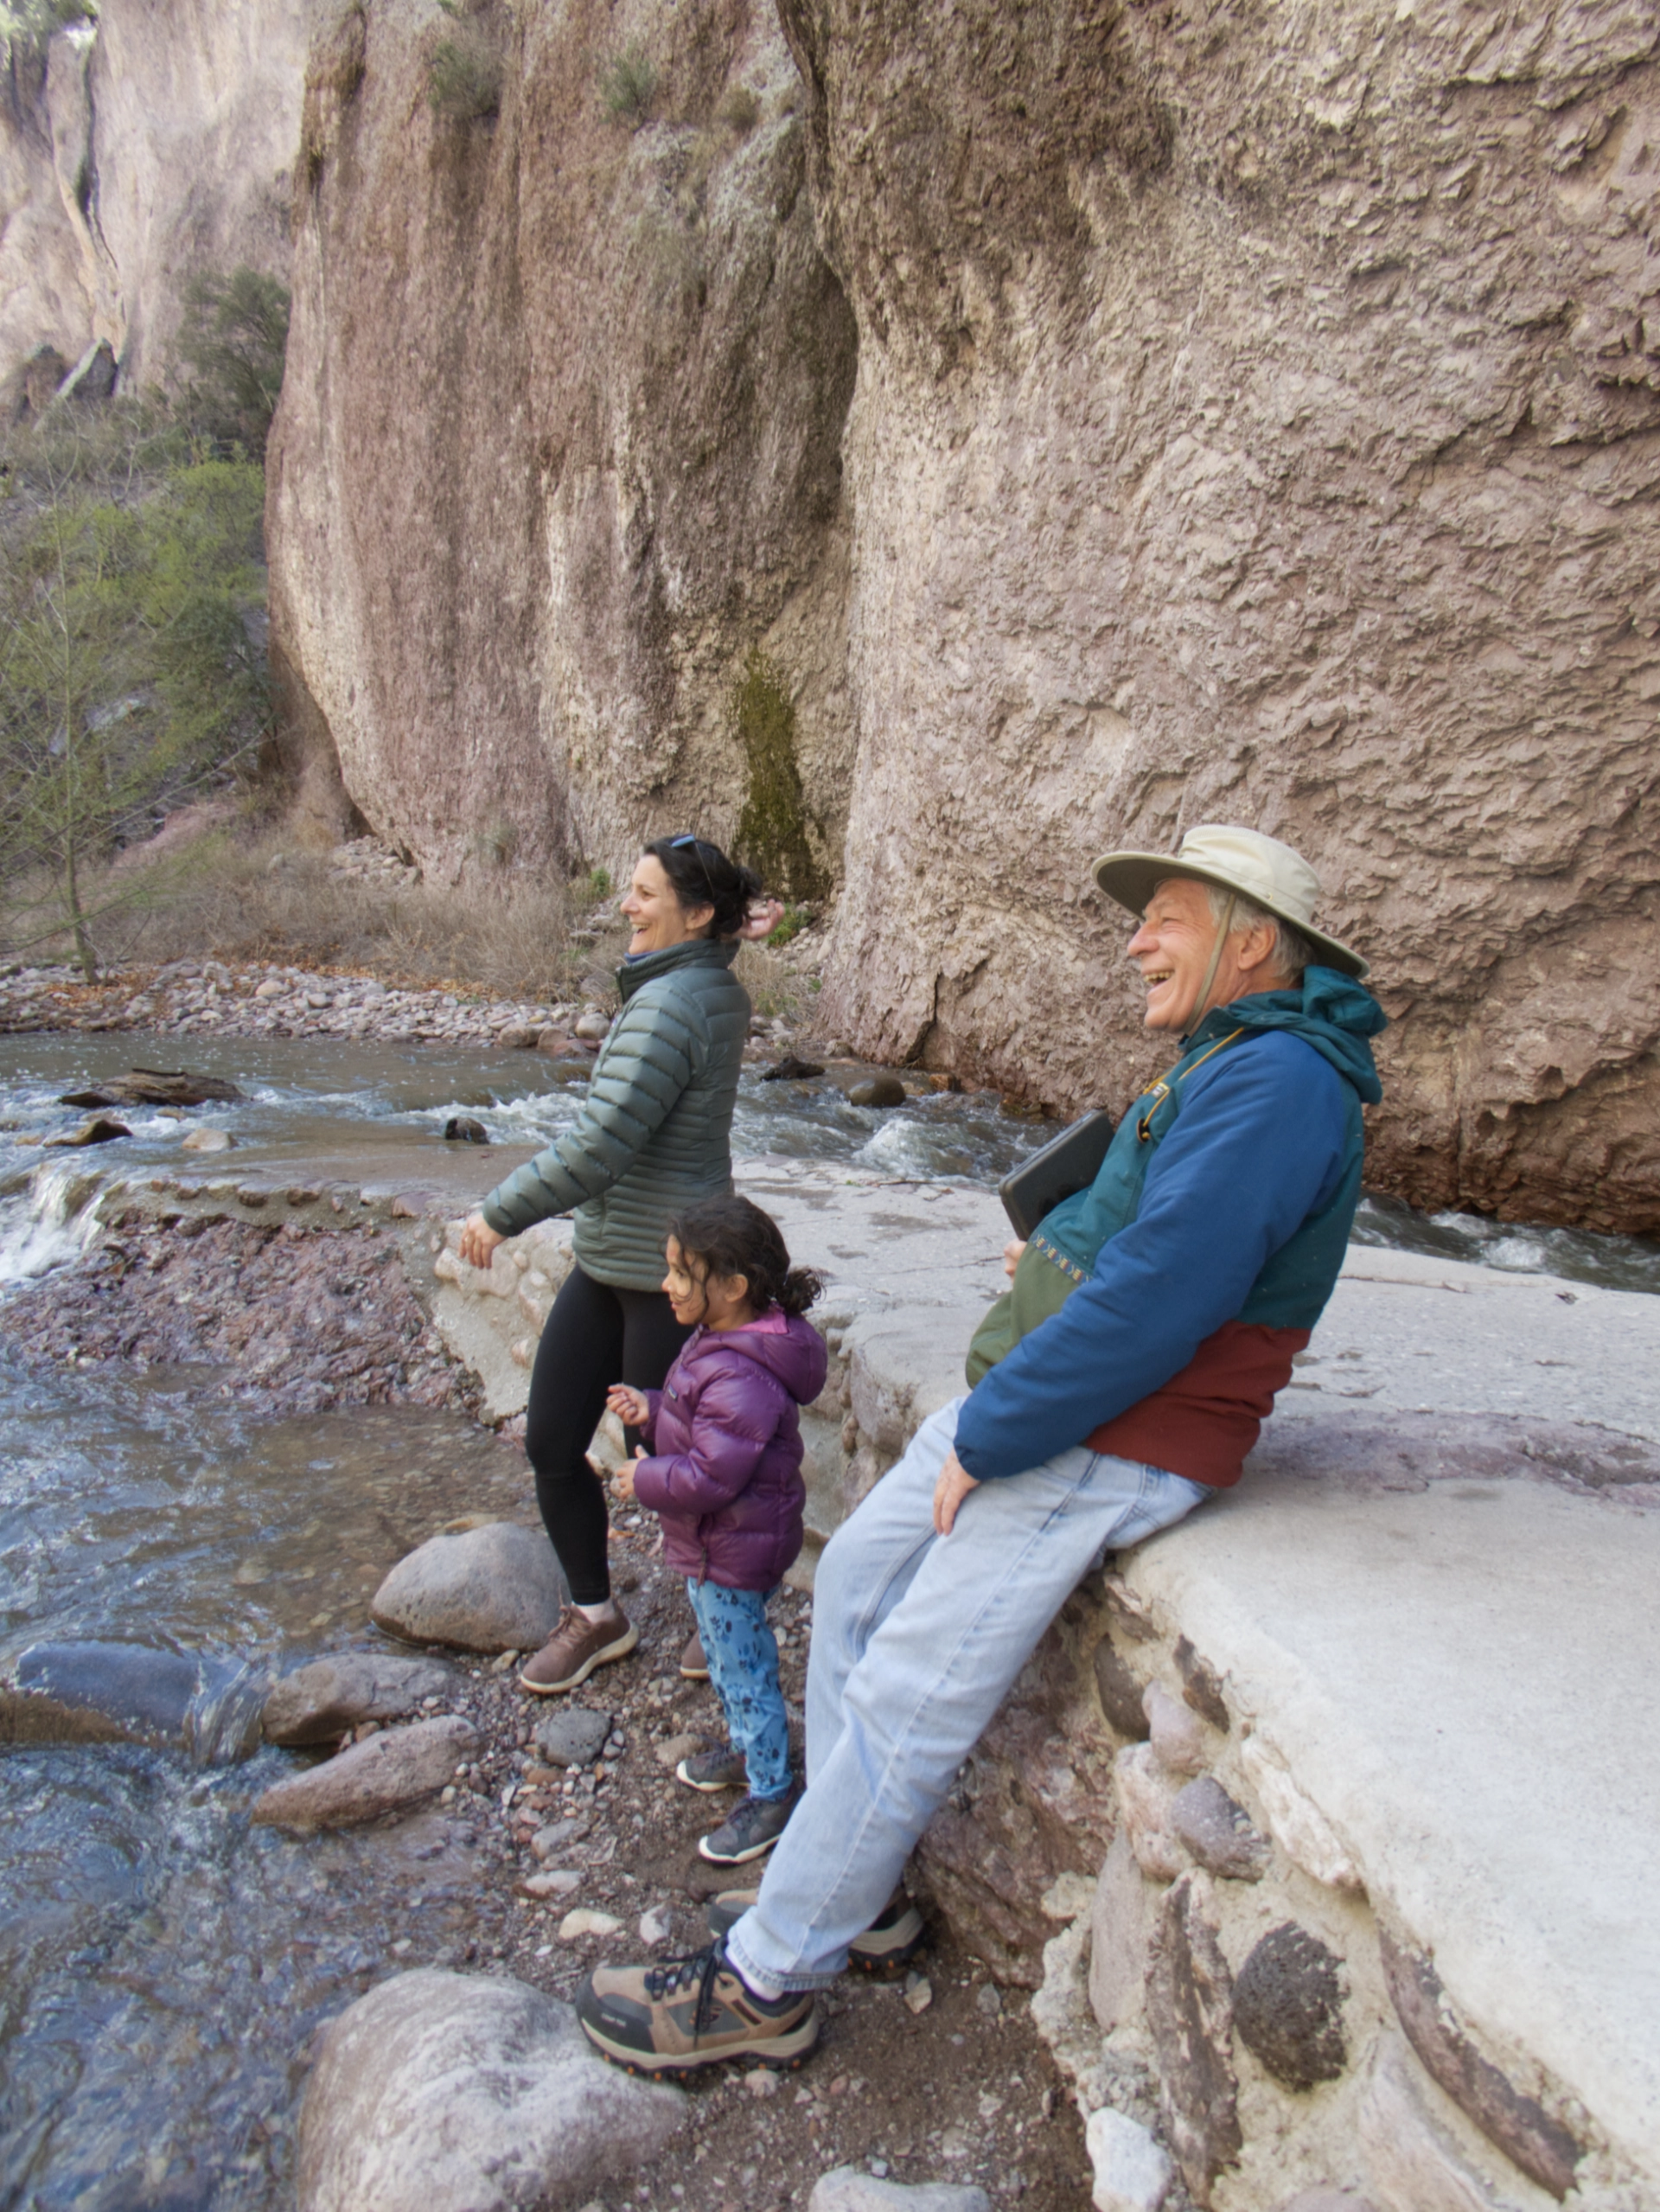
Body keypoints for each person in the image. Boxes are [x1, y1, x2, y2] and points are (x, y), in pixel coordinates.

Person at [574, 823, 1388, 2075]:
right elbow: (1144, 1247)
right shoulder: (1229, 1059)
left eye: (1166, 915)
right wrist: (1054, 1254)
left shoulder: (1278, 1083)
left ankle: (765, 1981)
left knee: (909, 1684)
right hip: (1063, 1398)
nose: (1137, 938)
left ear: (1254, 938)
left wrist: (1000, 1432)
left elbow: (1168, 1293)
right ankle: (859, 1889)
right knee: (849, 1585)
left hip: (1109, 1431)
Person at [456, 835, 781, 1696]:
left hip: (665, 1275)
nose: (627, 906)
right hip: (613, 1258)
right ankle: (597, 1616)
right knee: (554, 1440)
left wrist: (500, 1209)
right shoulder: (703, 984)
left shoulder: (672, 1004)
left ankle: (726, 1616)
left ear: (698, 913)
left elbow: (602, 1142)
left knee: (675, 1466)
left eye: (644, 893)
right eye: (630, 892)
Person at [607, 1194, 827, 1866]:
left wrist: (640, 1480)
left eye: (681, 1272)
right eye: (669, 1267)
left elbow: (711, 1476)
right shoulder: (725, 1339)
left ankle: (770, 1792)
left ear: (732, 1287)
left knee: (745, 1666)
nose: (666, 1285)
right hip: (720, 1541)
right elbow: (700, 1424)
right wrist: (649, 1407)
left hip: (732, 1545)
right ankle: (745, 1748)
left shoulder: (739, 1371)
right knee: (729, 1656)